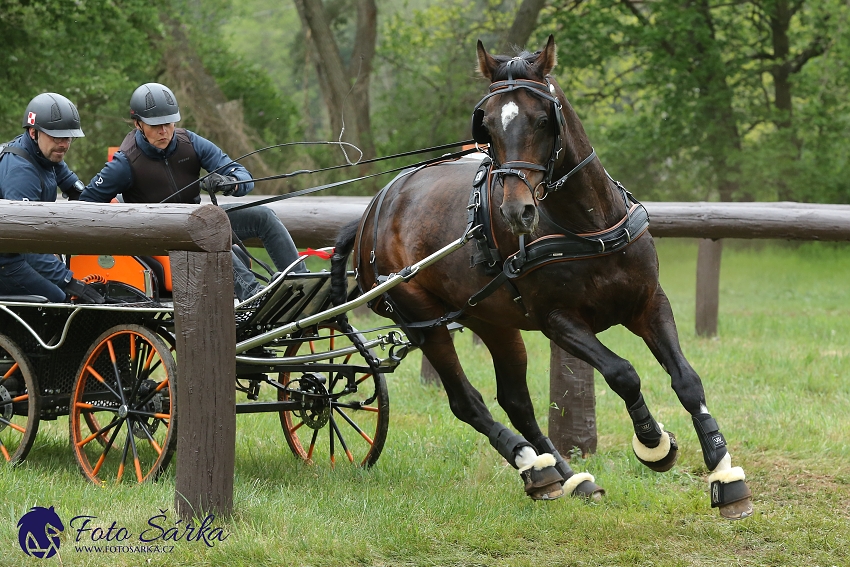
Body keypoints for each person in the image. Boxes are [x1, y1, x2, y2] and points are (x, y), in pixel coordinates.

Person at [80, 82, 304, 301]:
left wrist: (229, 182)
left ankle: (300, 283)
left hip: (197, 223)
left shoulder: (190, 142)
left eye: (169, 123)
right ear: (138, 124)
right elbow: (85, 205)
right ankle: (253, 296)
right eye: (155, 125)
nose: (164, 131)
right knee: (210, 228)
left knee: (263, 216)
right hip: (157, 237)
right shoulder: (125, 162)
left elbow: (245, 177)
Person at [0, 93, 104, 304]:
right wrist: (69, 281)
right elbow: (27, 241)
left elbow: (79, 194)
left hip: (20, 253)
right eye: (57, 137)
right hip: (8, 260)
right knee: (60, 298)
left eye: (68, 138)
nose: (64, 144)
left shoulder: (48, 157)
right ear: (33, 132)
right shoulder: (21, 172)